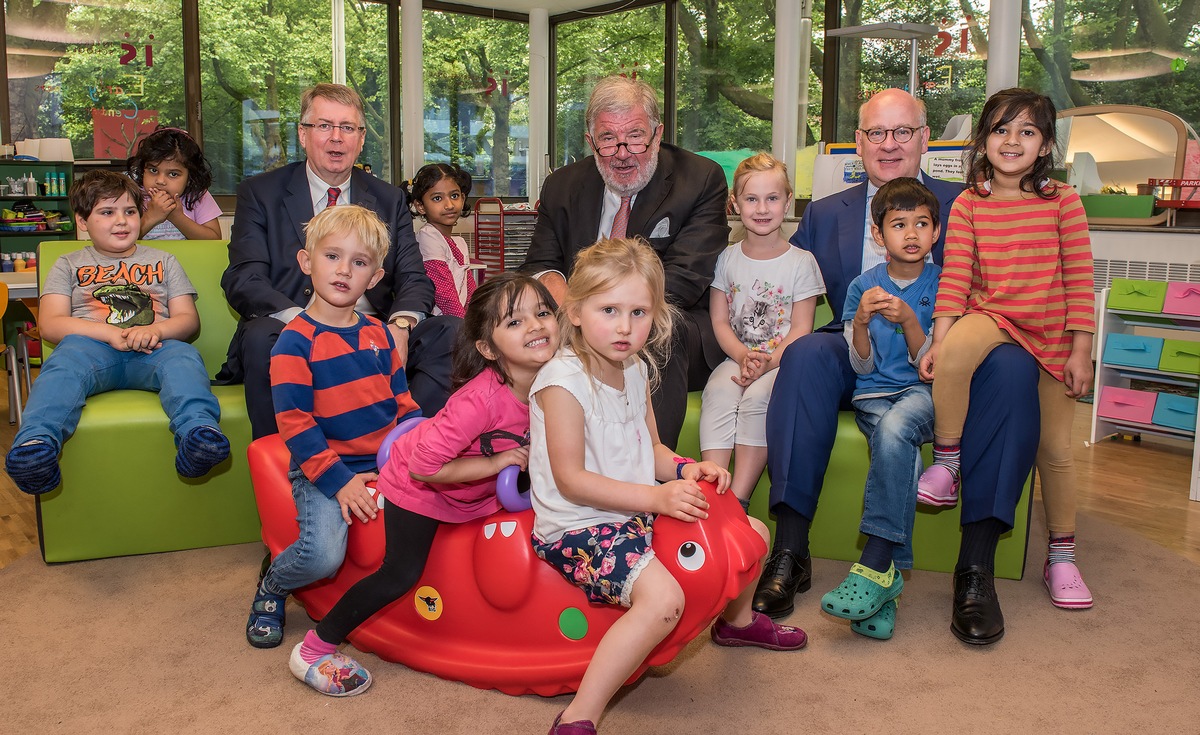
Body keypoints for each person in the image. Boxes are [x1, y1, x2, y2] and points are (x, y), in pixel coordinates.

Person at [757, 88, 1041, 647]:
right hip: (858, 349)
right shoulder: (824, 210)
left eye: (902, 132)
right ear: (858, 142)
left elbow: (999, 283)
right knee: (808, 352)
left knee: (1010, 368)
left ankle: (976, 569)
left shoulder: (965, 203)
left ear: (925, 139)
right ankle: (790, 548)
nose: (889, 145)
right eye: (876, 134)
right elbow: (792, 287)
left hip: (950, 351)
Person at [529, 238, 806, 735]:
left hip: (634, 508)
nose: (623, 327)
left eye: (638, 312)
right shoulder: (561, 382)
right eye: (608, 309)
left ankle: (737, 625)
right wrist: (656, 498)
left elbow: (650, 450)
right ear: (574, 311)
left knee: (751, 535)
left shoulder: (635, 370)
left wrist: (684, 469)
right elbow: (571, 480)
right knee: (664, 602)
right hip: (578, 525)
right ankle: (579, 715)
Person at [287, 271, 559, 695]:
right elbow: (422, 467)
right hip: (419, 484)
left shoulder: (556, 382)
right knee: (400, 573)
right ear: (487, 348)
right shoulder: (480, 401)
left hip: (477, 489)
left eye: (543, 313)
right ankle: (313, 647)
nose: (536, 326)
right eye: (515, 321)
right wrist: (498, 462)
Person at [918, 88, 1095, 611]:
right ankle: (948, 463)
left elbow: (1081, 281)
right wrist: (939, 336)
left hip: (1053, 334)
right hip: (993, 316)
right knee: (953, 349)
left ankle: (1061, 554)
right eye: (1001, 129)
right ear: (983, 141)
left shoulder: (1063, 201)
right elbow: (956, 276)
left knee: (1055, 451)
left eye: (1027, 131)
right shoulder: (971, 201)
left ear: (1044, 146)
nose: (1012, 141)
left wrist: (1080, 350)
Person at [219, 83, 458, 439]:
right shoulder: (261, 192)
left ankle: (403, 451)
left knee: (451, 332)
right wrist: (308, 325)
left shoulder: (388, 198)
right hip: (291, 322)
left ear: (361, 139)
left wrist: (403, 325)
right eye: (324, 126)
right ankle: (289, 472)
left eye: (347, 128)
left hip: (372, 327)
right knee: (261, 338)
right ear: (303, 134)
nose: (336, 138)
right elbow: (244, 278)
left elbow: (413, 276)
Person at [245, 204, 421, 649]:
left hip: (386, 461)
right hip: (323, 466)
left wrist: (422, 445)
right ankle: (275, 581)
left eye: (359, 262)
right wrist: (340, 482)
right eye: (332, 257)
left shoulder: (381, 334)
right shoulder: (293, 342)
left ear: (375, 277)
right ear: (307, 262)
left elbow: (403, 403)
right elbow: (295, 424)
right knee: (323, 556)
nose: (344, 271)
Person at [522, 75, 730, 448]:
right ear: (590, 141)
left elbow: (685, 278)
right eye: (607, 140)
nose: (622, 152)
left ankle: (648, 475)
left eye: (635, 136)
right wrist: (581, 315)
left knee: (655, 327)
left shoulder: (699, 179)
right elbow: (540, 264)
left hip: (670, 321)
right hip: (576, 315)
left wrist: (605, 316)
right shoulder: (562, 186)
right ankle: (523, 460)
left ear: (657, 132)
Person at [4, 170, 229, 495]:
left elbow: (188, 320)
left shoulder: (164, 260)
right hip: (91, 351)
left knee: (184, 358)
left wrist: (157, 329)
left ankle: (199, 434)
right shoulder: (68, 264)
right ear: (82, 220)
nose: (121, 221)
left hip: (156, 350)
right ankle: (36, 446)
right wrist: (107, 333)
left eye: (130, 211)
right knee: (62, 366)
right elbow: (51, 324)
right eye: (107, 212)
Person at [817, 177, 942, 640]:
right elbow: (860, 363)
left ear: (936, 231)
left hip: (924, 395)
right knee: (892, 436)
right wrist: (864, 321)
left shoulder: (944, 283)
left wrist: (910, 319)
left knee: (897, 429)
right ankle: (887, 585)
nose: (910, 234)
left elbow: (933, 365)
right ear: (878, 234)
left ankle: (873, 561)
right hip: (872, 398)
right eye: (898, 224)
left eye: (921, 224)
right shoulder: (861, 286)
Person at [700, 153, 824, 508]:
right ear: (735, 204)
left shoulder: (802, 262)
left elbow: (801, 329)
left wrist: (767, 364)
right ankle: (713, 489)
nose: (762, 208)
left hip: (781, 362)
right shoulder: (726, 258)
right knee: (719, 393)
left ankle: (738, 499)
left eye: (772, 198)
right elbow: (720, 321)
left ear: (787, 202)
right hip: (738, 357)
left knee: (756, 401)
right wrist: (741, 356)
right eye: (751, 198)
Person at [405, 162, 476, 318]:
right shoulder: (428, 236)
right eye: (437, 198)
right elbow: (443, 293)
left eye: (454, 196)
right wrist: (464, 325)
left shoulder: (460, 243)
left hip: (458, 319)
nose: (449, 205)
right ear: (420, 206)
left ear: (463, 199)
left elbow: (470, 288)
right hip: (439, 322)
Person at [126, 126, 222, 240]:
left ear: (190, 177)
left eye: (173, 174)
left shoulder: (198, 196)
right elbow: (121, 241)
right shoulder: (131, 196)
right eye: (153, 170)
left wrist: (177, 217)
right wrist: (151, 217)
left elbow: (214, 239)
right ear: (142, 170)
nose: (160, 181)